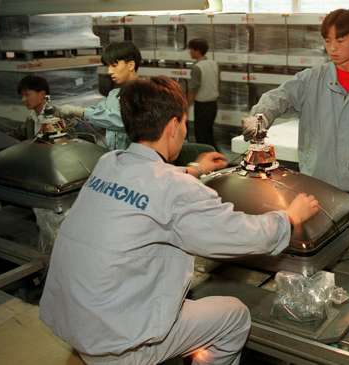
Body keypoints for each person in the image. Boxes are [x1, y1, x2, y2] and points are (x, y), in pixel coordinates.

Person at [39, 76, 320, 365]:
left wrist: (194, 169)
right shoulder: (176, 190)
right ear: (173, 125)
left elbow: (146, 184)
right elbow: (238, 235)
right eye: (185, 123)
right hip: (124, 346)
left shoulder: (109, 163)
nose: (185, 131)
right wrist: (289, 217)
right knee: (234, 316)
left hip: (77, 325)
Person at [242, 9, 349, 227]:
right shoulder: (311, 79)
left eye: (340, 41)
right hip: (321, 186)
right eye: (328, 41)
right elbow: (278, 97)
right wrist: (260, 117)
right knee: (324, 251)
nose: (332, 48)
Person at [54, 41, 142, 150]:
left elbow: (123, 121)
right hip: (115, 158)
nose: (109, 71)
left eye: (114, 65)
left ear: (131, 65)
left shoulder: (146, 93)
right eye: (108, 66)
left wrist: (81, 112)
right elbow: (99, 114)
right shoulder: (113, 95)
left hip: (137, 161)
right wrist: (73, 121)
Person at [187, 38, 219, 149]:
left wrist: (186, 106)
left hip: (202, 106)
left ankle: (208, 160)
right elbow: (218, 82)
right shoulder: (214, 64)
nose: (189, 52)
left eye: (190, 49)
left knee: (201, 136)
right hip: (213, 105)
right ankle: (217, 158)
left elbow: (193, 89)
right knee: (208, 134)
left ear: (197, 51)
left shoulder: (197, 67)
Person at [17, 75, 50, 139]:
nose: (23, 99)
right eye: (22, 95)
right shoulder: (30, 119)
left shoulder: (58, 116)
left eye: (27, 95)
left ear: (42, 94)